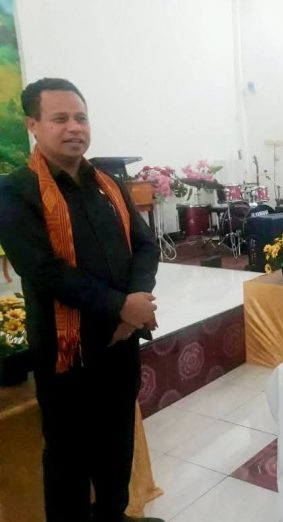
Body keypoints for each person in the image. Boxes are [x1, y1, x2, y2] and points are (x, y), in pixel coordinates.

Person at [0, 78, 163, 522]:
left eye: (81, 117)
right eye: (60, 118)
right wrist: (120, 307)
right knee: (68, 457)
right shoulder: (15, 192)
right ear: (33, 125)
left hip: (121, 341)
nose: (74, 127)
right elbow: (44, 270)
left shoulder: (107, 184)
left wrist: (134, 303)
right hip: (65, 350)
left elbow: (145, 245)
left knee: (117, 442)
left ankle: (113, 515)